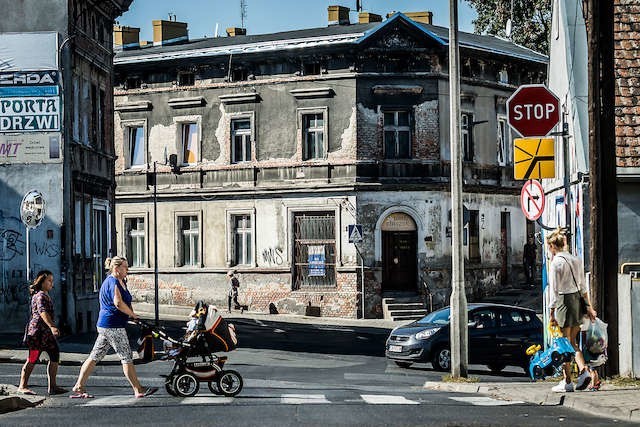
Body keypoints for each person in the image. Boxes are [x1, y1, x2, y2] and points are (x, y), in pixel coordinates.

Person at [71, 256, 157, 398]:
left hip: (107, 325)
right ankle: (138, 389)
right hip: (113, 325)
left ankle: (79, 386)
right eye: (125, 267)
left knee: (95, 355)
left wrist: (130, 315)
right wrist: (133, 315)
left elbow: (123, 303)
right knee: (126, 356)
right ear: (116, 269)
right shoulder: (112, 282)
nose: (127, 269)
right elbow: (118, 303)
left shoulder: (120, 281)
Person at [546, 228, 597, 392]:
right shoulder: (576, 260)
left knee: (563, 344)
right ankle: (582, 372)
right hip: (577, 301)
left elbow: (554, 290)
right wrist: (588, 307)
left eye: (549, 246)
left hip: (563, 301)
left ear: (553, 246)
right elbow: (583, 287)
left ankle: (568, 381)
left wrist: (552, 312)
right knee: (572, 342)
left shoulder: (556, 263)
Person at [17, 270, 67, 395]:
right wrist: (52, 326)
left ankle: (53, 386)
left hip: (45, 334)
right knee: (33, 358)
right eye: (49, 280)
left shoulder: (44, 294)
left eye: (52, 280)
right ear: (42, 282)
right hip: (38, 333)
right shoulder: (40, 296)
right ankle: (22, 386)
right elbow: (42, 312)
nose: (52, 283)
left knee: (54, 354)